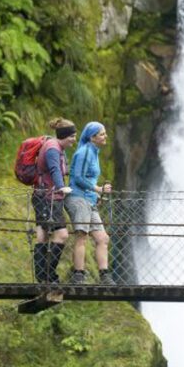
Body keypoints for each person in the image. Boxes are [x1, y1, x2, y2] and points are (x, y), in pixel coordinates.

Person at [67, 121, 114, 285]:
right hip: (79, 199)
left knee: (102, 238)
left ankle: (105, 275)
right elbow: (78, 178)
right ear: (92, 137)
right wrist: (98, 189)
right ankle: (78, 274)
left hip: (89, 200)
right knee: (82, 236)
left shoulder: (94, 152)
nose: (105, 136)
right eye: (102, 134)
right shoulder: (85, 152)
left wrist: (98, 190)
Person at [32, 118, 76, 284]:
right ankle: (49, 275)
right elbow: (54, 169)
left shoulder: (58, 148)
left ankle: (43, 277)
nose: (74, 139)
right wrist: (60, 186)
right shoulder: (52, 149)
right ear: (64, 135)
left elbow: (60, 169)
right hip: (47, 197)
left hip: (45, 196)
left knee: (42, 234)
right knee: (61, 234)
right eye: (72, 136)